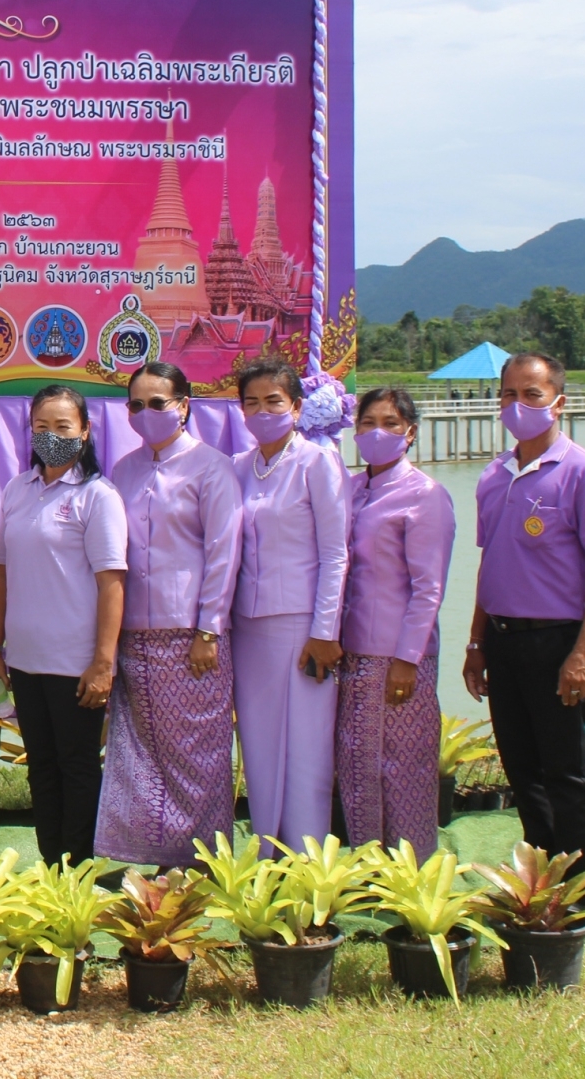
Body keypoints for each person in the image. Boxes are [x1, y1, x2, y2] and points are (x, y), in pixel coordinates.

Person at [465, 352, 585, 875]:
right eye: (508, 394)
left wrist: (584, 653)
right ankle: (541, 874)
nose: (518, 404)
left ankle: (576, 886)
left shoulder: (583, 473)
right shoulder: (494, 476)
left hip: (557, 643)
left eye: (531, 394)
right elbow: (492, 565)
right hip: (505, 642)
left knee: (567, 772)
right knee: (521, 768)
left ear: (559, 402)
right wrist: (476, 644)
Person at [95, 360, 242, 869]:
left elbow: (224, 554)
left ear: (184, 405)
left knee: (197, 755)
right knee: (145, 757)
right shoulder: (123, 470)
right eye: (135, 405)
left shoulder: (212, 467)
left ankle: (203, 860)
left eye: (157, 402)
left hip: (191, 639)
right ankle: (159, 857)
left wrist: (209, 628)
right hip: (136, 638)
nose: (145, 412)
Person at [0, 385, 125, 868]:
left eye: (63, 427)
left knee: (78, 767)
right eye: (41, 427)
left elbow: (112, 584)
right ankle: (50, 864)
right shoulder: (17, 489)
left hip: (75, 663)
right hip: (24, 658)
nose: (51, 436)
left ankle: (81, 869)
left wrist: (103, 662)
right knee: (40, 768)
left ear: (84, 432)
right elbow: (0, 573)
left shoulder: (97, 496)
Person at [229, 358, 348, 852]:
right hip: (247, 627)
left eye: (273, 401)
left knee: (305, 748)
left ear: (296, 407)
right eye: (251, 403)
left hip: (302, 626)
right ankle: (266, 854)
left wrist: (325, 631)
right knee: (257, 747)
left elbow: (335, 551)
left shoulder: (318, 462)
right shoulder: (237, 467)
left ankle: (307, 860)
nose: (262, 411)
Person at [338, 387, 456, 853]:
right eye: (367, 423)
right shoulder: (350, 489)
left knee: (403, 765)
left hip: (399, 656)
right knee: (356, 763)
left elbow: (429, 587)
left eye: (389, 424)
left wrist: (408, 659)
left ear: (410, 434)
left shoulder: (425, 496)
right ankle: (368, 868)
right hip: (352, 654)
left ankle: (411, 873)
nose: (376, 432)